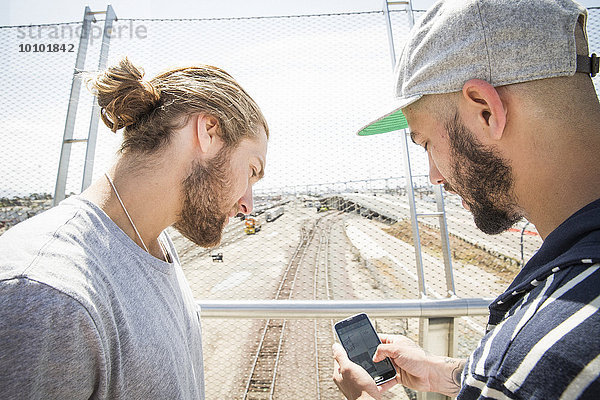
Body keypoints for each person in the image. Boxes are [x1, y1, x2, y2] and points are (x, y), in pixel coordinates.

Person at [333, 0, 600, 398]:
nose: (434, 176)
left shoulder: (540, 352)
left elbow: (528, 373)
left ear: (486, 112)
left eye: (425, 142)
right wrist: (453, 373)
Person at [0, 58, 268, 398]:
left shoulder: (154, 244)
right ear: (208, 131)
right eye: (252, 171)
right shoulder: (47, 296)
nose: (248, 204)